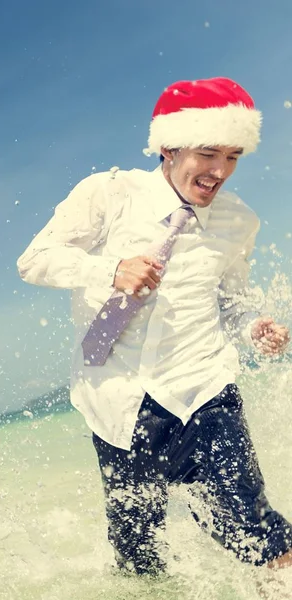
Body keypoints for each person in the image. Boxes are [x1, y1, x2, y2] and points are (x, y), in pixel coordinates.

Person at [17, 77, 292, 575]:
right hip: (117, 398)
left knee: (255, 531)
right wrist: (109, 270)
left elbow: (232, 301)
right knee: (141, 556)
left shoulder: (239, 222)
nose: (219, 171)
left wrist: (254, 327)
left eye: (232, 157)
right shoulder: (109, 193)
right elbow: (33, 260)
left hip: (205, 385)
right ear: (167, 148)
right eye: (208, 153)